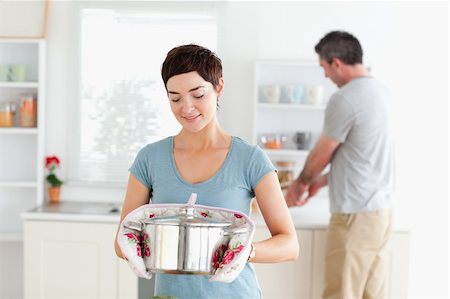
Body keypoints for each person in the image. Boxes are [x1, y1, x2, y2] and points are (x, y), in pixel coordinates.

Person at [114, 44, 299, 299]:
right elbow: (122, 240)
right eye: (175, 98)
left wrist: (242, 252)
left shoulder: (250, 159)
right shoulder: (150, 159)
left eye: (198, 95)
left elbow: (289, 244)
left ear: (219, 87)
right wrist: (140, 248)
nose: (186, 108)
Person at [286, 31, 395, 299]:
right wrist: (321, 182)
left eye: (323, 67)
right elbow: (361, 157)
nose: (325, 76)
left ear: (336, 63)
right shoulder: (383, 92)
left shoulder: (345, 98)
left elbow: (323, 153)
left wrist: (300, 184)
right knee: (373, 294)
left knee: (340, 294)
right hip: (381, 214)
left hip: (354, 217)